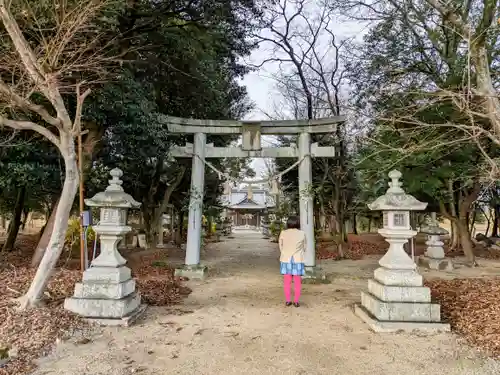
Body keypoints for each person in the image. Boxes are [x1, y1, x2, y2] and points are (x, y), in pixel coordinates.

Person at [278, 216, 305, 307]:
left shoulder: (283, 233)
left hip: (286, 259)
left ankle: (288, 300)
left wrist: (284, 252)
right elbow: (304, 246)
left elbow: (280, 245)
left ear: (288, 223)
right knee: (297, 281)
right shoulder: (302, 233)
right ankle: (296, 301)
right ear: (298, 223)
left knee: (287, 281)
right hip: (297, 259)